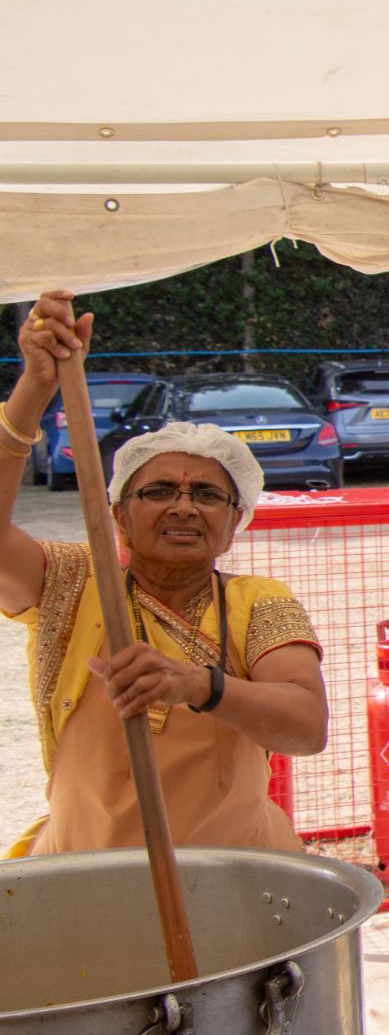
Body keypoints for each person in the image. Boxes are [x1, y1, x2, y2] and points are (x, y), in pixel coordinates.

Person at [0, 290, 326, 858]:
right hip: (83, 876)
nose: (183, 507)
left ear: (232, 524)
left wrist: (198, 685)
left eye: (206, 495)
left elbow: (306, 726)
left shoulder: (257, 602)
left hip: (236, 883)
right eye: (158, 492)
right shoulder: (73, 582)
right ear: (119, 517)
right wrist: (34, 389)